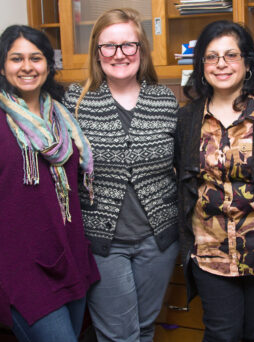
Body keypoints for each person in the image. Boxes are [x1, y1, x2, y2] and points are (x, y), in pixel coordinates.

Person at [63, 8, 179, 342]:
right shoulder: (76, 101)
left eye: (128, 45)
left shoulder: (164, 100)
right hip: (102, 241)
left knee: (143, 329)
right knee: (118, 335)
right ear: (97, 53)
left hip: (158, 239)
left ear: (140, 49)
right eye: (109, 46)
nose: (119, 55)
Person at [174, 20, 254, 342]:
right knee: (223, 334)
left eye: (230, 55)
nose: (220, 64)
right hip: (209, 251)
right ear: (201, 65)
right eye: (211, 56)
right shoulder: (188, 119)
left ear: (247, 63)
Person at [0, 25, 100, 342]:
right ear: (2, 66)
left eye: (36, 57)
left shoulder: (62, 116)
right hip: (20, 269)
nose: (27, 67)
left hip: (67, 256)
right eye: (16, 58)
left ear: (48, 65)